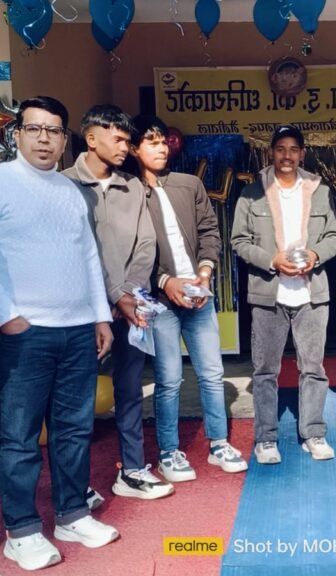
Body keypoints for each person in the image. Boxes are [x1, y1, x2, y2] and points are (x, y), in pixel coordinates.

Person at [0, 96, 120, 571]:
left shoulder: (70, 191)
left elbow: (88, 256)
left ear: (64, 139)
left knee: (74, 430)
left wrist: (99, 316)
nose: (43, 139)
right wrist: (5, 317)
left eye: (53, 131)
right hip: (24, 333)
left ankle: (72, 514)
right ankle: (21, 531)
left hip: (77, 330)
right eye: (33, 129)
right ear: (16, 134)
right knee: (19, 438)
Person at [62, 105, 174, 501]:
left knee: (130, 392)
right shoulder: (63, 186)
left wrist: (126, 293)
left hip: (129, 307)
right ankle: (75, 486)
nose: (126, 147)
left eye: (128, 141)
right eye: (119, 139)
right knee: (75, 401)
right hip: (80, 311)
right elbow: (75, 250)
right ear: (91, 138)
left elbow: (146, 244)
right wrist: (111, 296)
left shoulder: (133, 187)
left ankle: (132, 470)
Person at [130, 114, 248, 482]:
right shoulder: (128, 191)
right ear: (134, 149)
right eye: (151, 142)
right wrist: (165, 282)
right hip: (160, 301)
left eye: (163, 141)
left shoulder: (189, 184)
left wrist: (205, 273)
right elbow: (131, 252)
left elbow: (210, 231)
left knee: (212, 373)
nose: (161, 148)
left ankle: (218, 443)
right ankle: (169, 451)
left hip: (199, 296)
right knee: (168, 379)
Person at [231, 125, 336, 464]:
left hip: (311, 294)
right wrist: (272, 260)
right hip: (269, 294)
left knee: (314, 368)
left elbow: (334, 237)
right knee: (265, 371)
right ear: (271, 153)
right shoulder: (252, 192)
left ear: (302, 154)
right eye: (280, 148)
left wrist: (315, 255)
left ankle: (313, 433)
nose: (287, 156)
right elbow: (239, 241)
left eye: (294, 149)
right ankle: (266, 439)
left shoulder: (320, 191)